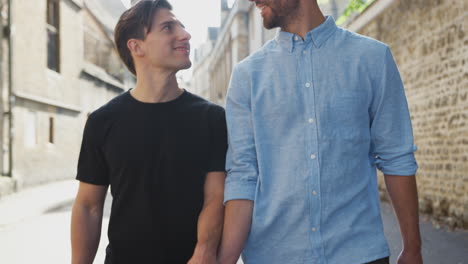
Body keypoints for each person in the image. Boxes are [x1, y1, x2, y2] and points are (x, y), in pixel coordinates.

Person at [218, 0, 422, 264]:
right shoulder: (246, 76)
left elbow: (397, 156)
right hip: (273, 256)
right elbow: (243, 176)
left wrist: (413, 248)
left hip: (360, 253)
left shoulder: (372, 58)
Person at [71, 1, 227, 263]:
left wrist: (204, 252)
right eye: (168, 28)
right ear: (136, 46)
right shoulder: (103, 121)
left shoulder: (211, 118)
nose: (185, 35)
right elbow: (88, 206)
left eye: (182, 27)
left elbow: (216, 196)